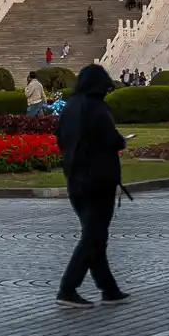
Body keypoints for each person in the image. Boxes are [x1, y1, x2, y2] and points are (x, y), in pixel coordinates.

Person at [55, 64, 130, 309]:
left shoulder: (70, 106)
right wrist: (121, 141)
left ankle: (108, 288)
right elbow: (112, 139)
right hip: (99, 180)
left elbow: (60, 139)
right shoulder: (97, 108)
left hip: (75, 178)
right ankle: (68, 288)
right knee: (93, 236)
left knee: (95, 234)